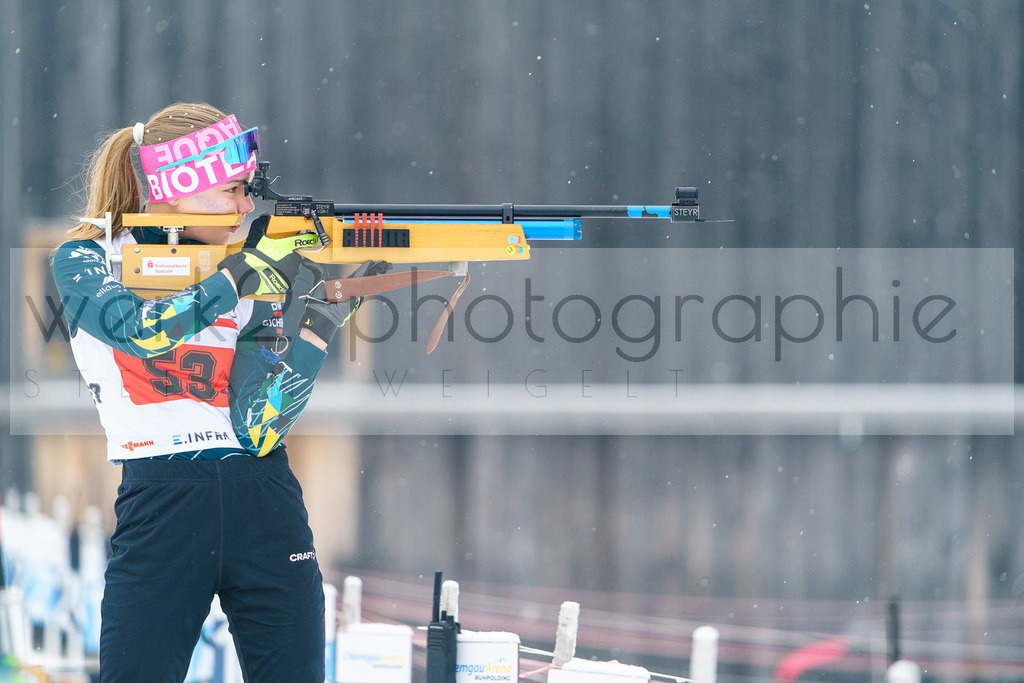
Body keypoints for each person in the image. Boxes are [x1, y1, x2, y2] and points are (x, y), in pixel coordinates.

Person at [51, 102, 375, 682]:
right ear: (175, 190)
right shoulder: (87, 258)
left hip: (266, 498)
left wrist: (323, 321)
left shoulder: (244, 268)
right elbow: (140, 332)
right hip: (161, 503)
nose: (248, 206)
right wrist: (238, 279)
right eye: (234, 190)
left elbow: (261, 423)